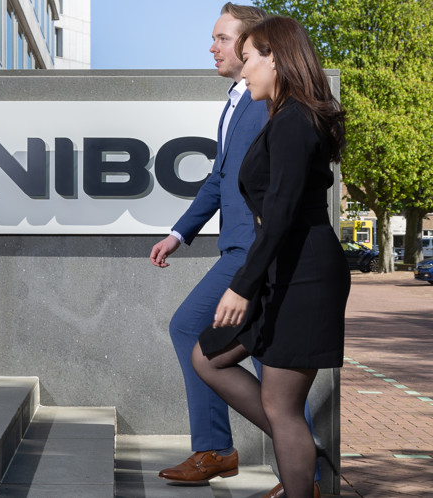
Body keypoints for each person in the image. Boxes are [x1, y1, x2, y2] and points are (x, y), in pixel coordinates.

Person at [191, 15, 349, 498]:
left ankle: (297, 460)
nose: (242, 69)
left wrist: (242, 284)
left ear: (276, 58)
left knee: (282, 406)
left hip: (303, 275)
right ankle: (295, 442)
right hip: (286, 270)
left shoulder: (295, 121)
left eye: (251, 57)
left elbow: (279, 214)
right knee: (208, 356)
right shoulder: (287, 118)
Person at [148, 2, 271, 486]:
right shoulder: (238, 99)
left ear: (248, 44)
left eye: (222, 38)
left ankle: (221, 449)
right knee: (268, 361)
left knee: (190, 328)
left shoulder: (263, 103)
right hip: (243, 249)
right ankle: (286, 463)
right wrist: (179, 233)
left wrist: (258, 257)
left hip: (254, 252)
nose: (212, 46)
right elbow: (219, 180)